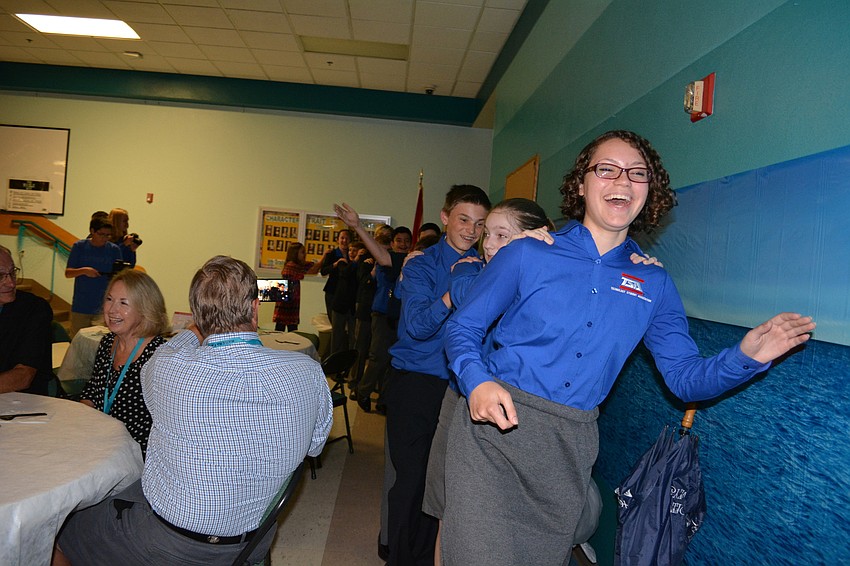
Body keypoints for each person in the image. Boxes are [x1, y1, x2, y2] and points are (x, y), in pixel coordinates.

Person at [441, 130, 816, 565]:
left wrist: (746, 356)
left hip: (568, 449)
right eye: (607, 169)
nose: (622, 180)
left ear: (648, 192)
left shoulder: (653, 283)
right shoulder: (527, 254)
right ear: (581, 185)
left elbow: (686, 380)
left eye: (637, 173)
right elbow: (463, 327)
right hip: (492, 431)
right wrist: (477, 381)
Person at [54, 255, 333, 566]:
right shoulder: (308, 371)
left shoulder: (163, 367)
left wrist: (194, 328)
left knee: (58, 531)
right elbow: (314, 446)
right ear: (255, 309)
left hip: (170, 543)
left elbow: (170, 349)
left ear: (197, 316)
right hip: (252, 543)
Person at [386, 184, 491, 566]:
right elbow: (415, 327)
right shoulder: (421, 264)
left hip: (461, 388)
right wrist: (453, 293)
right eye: (463, 219)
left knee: (444, 485)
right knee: (411, 480)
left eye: (479, 223)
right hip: (416, 382)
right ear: (445, 217)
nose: (471, 230)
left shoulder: (489, 266)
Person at [78, 269, 169, 456]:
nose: (112, 310)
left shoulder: (159, 355)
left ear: (145, 309)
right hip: (101, 444)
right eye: (109, 299)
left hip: (138, 454)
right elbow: (92, 391)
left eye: (123, 303)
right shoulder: (107, 343)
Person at [0, 245, 53, 395]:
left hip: (24, 401)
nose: (11, 283)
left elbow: (23, 377)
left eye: (12, 273)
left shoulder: (34, 309)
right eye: (0, 276)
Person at [65, 217, 123, 337]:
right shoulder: (79, 247)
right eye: (101, 234)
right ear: (92, 231)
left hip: (103, 305)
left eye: (108, 235)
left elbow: (120, 276)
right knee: (77, 339)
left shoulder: (114, 250)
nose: (104, 238)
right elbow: (68, 273)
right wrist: (84, 271)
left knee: (101, 340)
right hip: (81, 304)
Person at [274, 242, 320, 332]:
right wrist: (324, 258)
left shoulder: (298, 265)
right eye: (302, 252)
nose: (305, 254)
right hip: (286, 302)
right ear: (295, 254)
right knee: (283, 328)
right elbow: (313, 270)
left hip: (291, 301)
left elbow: (313, 268)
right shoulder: (291, 266)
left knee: (288, 326)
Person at [330, 241, 367, 355]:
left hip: (353, 307)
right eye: (350, 250)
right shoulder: (343, 262)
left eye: (355, 251)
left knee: (353, 336)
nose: (351, 253)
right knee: (337, 336)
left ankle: (350, 362)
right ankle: (333, 361)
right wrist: (355, 261)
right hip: (340, 305)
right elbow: (345, 273)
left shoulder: (362, 265)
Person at [320, 229, 352, 316]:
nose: (344, 241)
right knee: (333, 318)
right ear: (337, 240)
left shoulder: (352, 254)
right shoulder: (331, 253)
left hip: (347, 292)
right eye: (342, 238)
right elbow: (323, 271)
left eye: (347, 238)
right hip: (332, 291)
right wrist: (335, 264)